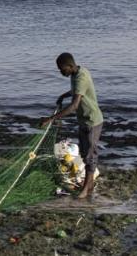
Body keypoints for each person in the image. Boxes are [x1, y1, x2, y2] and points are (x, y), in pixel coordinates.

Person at [41, 53, 103, 200]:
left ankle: (85, 190)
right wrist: (64, 95)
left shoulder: (81, 76)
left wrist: (51, 119)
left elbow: (74, 106)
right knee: (84, 152)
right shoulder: (76, 74)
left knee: (90, 155)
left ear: (70, 66)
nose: (61, 72)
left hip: (92, 121)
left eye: (62, 69)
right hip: (84, 121)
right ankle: (89, 185)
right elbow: (76, 91)